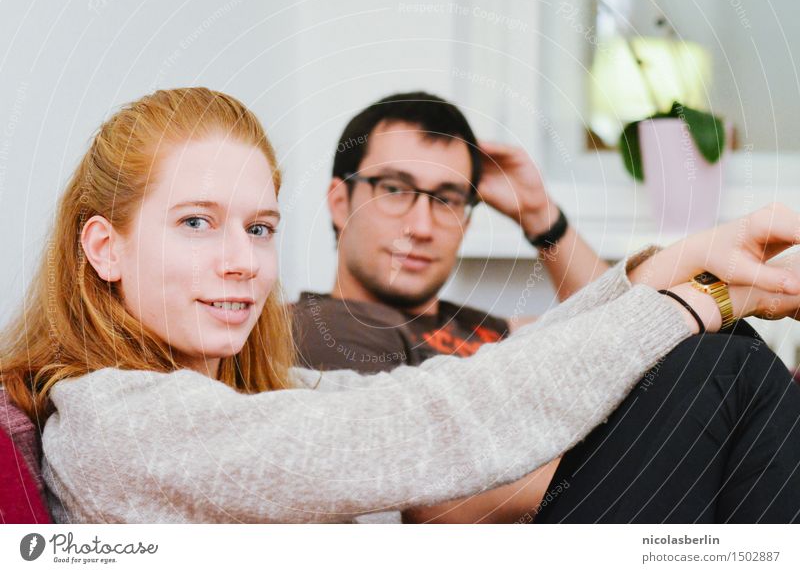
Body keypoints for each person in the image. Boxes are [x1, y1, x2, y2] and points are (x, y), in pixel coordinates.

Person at [0, 87, 799, 524]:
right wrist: (688, 305)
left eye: (259, 227)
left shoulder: (255, 392)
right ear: (103, 246)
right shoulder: (121, 416)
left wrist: (680, 270)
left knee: (715, 362)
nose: (242, 261)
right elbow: (423, 430)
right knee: (713, 370)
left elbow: (494, 370)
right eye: (196, 223)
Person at [293, 91, 610, 522]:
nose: (421, 227)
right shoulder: (320, 327)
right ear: (339, 202)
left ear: (466, 219)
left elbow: (622, 332)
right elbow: (423, 501)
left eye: (447, 198)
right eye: (394, 189)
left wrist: (539, 215)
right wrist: (625, 458)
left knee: (719, 359)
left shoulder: (489, 328)